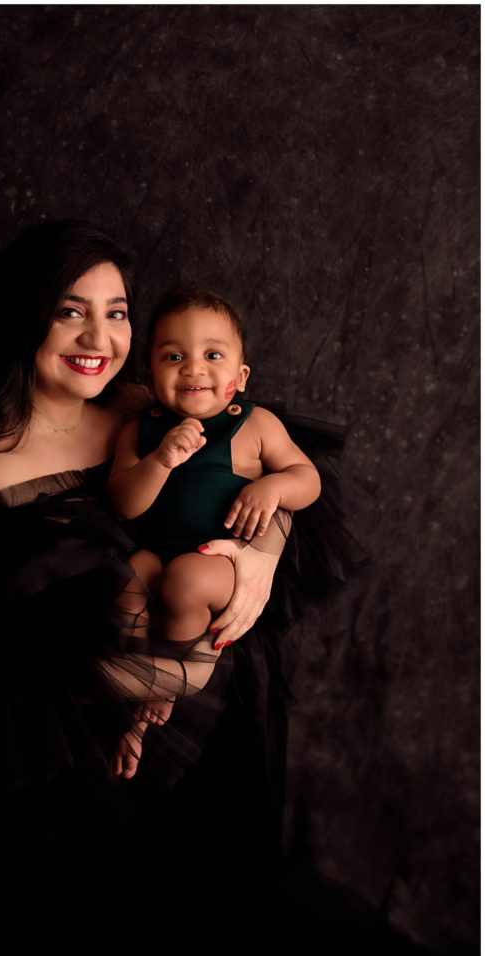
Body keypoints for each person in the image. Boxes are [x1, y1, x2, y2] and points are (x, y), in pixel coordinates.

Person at [0, 220, 291, 813]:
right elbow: (25, 664)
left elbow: (276, 465)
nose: (99, 339)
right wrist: (185, 680)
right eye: (70, 313)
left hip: (229, 706)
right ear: (26, 316)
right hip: (98, 753)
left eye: (118, 313)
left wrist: (264, 553)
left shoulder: (145, 406)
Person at [107, 284, 321, 778]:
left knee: (183, 581)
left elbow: (307, 479)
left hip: (219, 561)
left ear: (240, 375)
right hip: (153, 550)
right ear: (150, 372)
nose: (193, 368)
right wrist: (161, 460)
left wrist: (273, 488)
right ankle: (137, 696)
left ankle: (171, 687)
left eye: (213, 354)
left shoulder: (254, 424)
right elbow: (123, 502)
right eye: (174, 355)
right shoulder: (139, 429)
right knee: (126, 579)